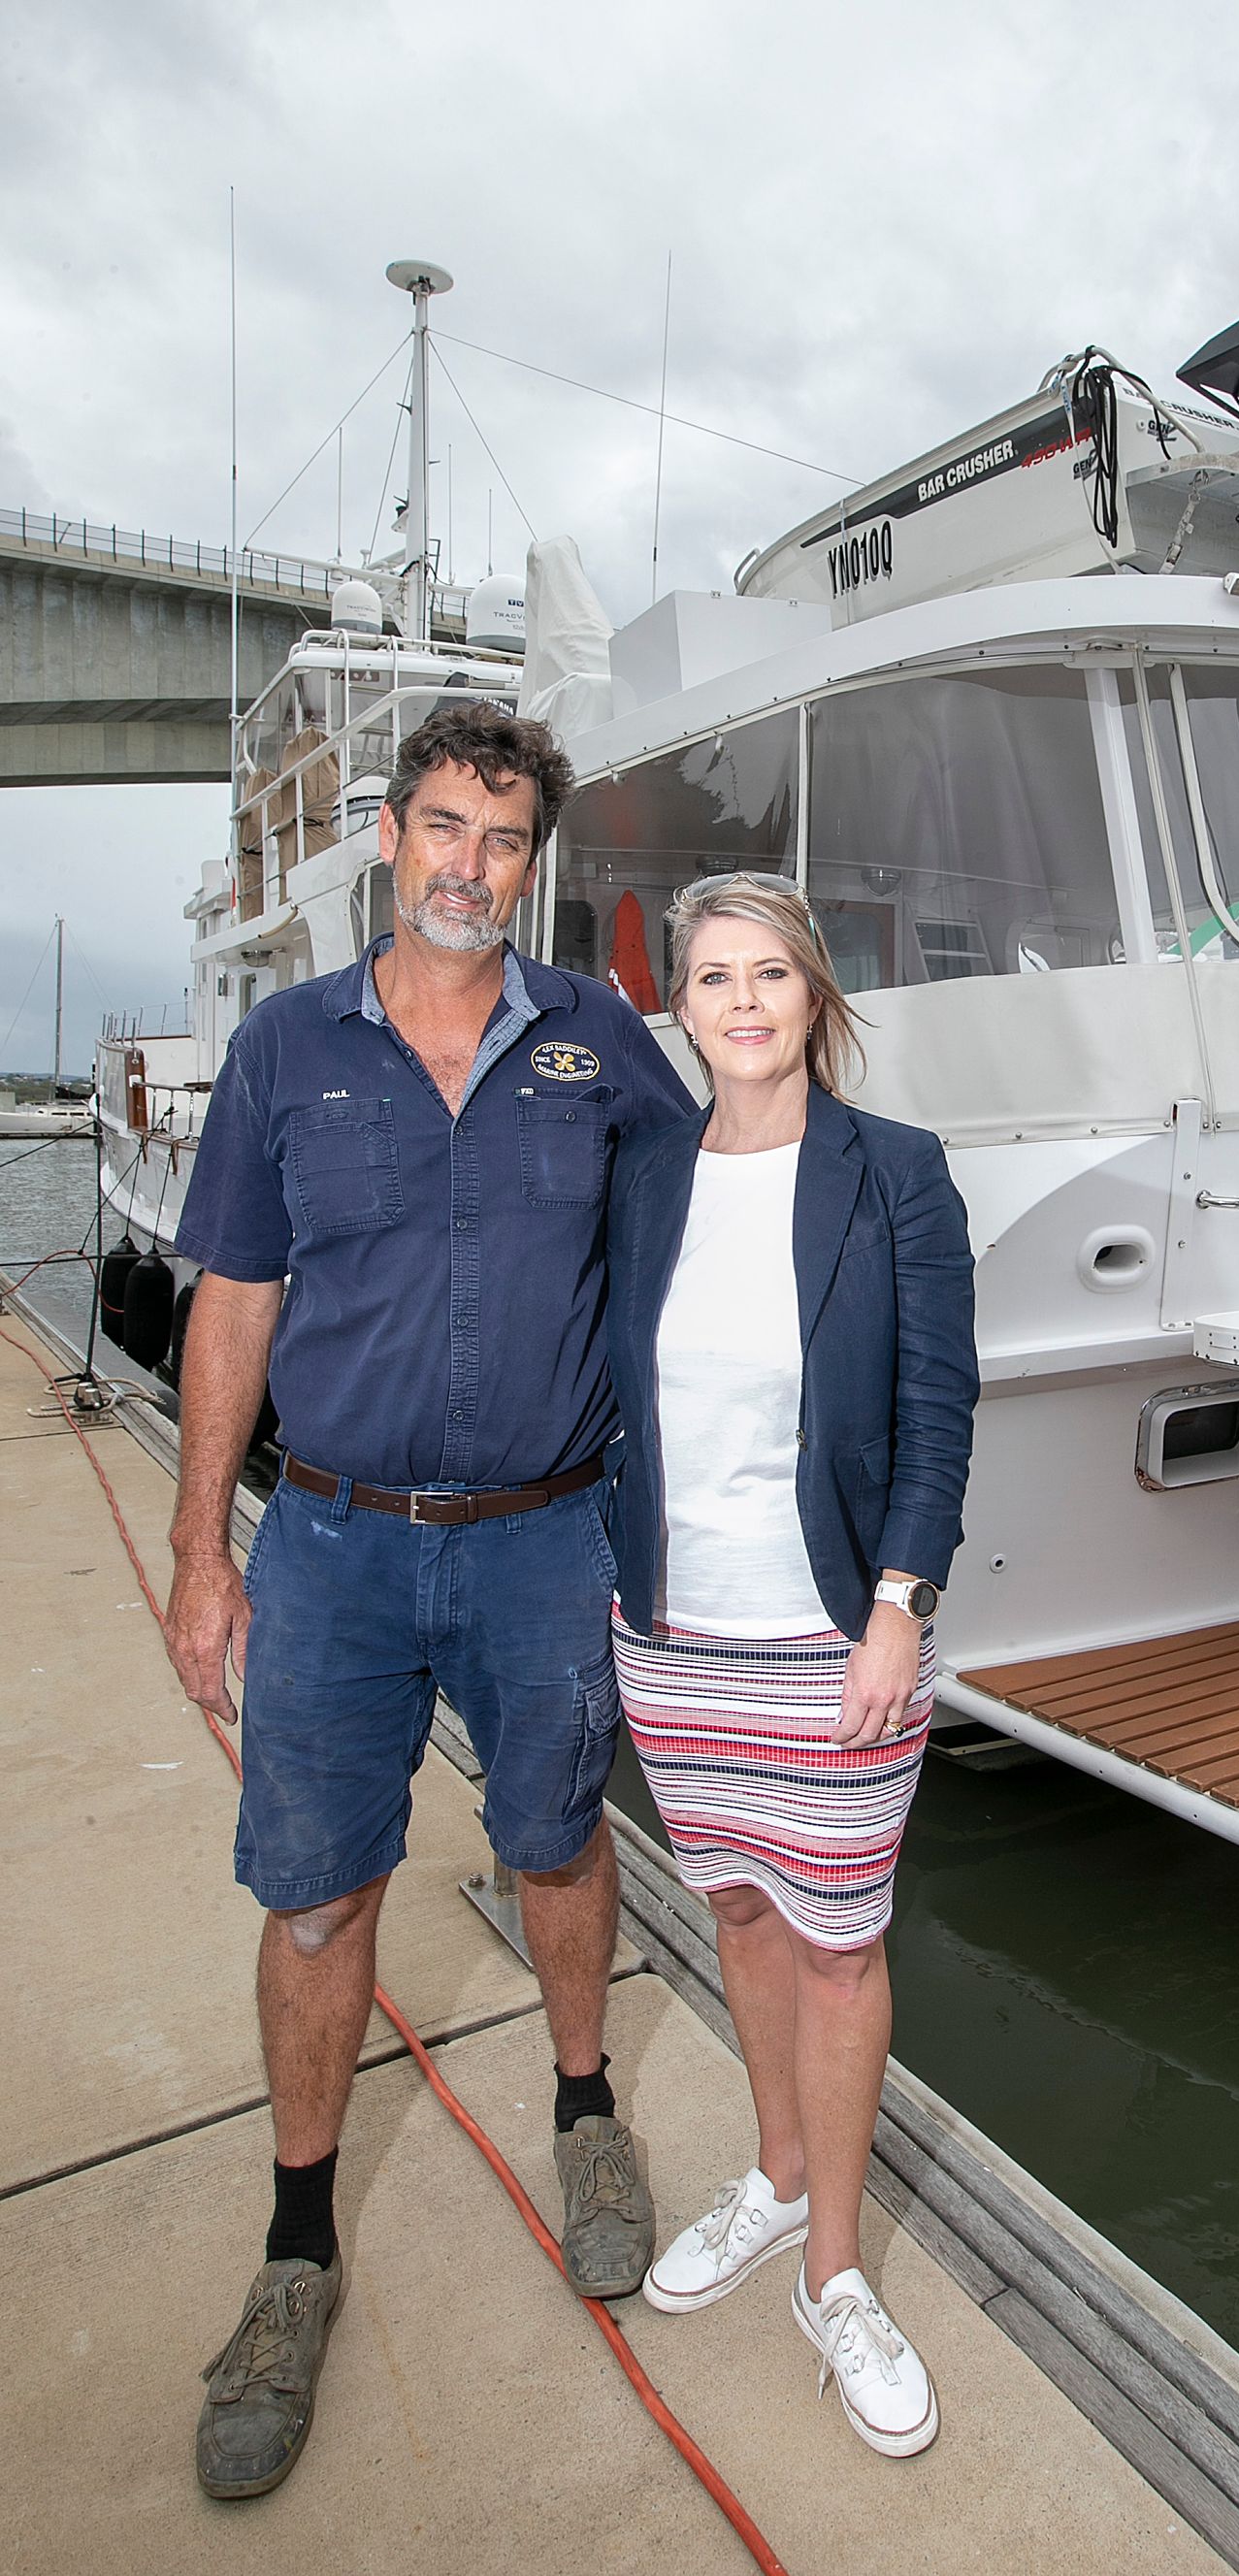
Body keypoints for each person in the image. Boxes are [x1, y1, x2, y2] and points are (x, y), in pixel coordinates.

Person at [163, 701, 694, 2501]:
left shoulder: (601, 1039)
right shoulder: (281, 1050)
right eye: (448, 828)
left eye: (507, 840)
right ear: (393, 837)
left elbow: (717, 1216)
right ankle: (297, 2251)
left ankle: (586, 2113)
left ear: (532, 866)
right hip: (331, 1544)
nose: (473, 865)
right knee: (316, 1901)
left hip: (549, 1537)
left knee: (556, 1842)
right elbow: (230, 1302)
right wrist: (193, 1560)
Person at [603, 873, 977, 2460]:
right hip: (674, 1634)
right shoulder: (641, 1177)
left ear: (816, 995)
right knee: (739, 1908)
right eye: (713, 977)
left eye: (771, 973)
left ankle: (836, 2273)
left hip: (831, 1636)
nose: (743, 1001)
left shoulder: (896, 1174)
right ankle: (772, 2176)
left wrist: (901, 1602)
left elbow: (941, 1407)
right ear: (677, 1008)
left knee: (839, 1941)